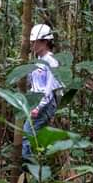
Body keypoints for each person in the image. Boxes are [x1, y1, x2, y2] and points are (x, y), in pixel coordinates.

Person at [22, 24, 64, 163]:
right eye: (32, 42)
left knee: (27, 135)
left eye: (35, 42)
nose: (32, 45)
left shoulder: (51, 62)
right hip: (34, 102)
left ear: (45, 42)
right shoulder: (36, 61)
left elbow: (49, 89)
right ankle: (45, 164)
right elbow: (32, 83)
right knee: (38, 138)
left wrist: (38, 107)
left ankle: (28, 169)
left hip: (44, 104)